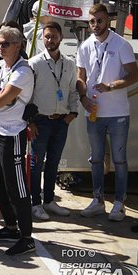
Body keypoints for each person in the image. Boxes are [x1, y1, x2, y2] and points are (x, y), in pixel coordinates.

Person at [77, 2, 138, 221]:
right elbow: (80, 78)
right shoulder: (84, 46)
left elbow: (134, 76)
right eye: (92, 21)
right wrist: (83, 98)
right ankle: (98, 200)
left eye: (100, 20)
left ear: (108, 20)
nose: (96, 25)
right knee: (95, 158)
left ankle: (120, 203)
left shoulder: (121, 44)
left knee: (120, 159)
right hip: (93, 111)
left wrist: (112, 86)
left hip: (117, 112)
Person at [0, 24, 37, 256]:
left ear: (18, 45)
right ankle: (11, 226)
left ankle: (26, 236)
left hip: (11, 134)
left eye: (5, 44)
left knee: (17, 188)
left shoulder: (23, 72)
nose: (0, 48)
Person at [29, 21, 80, 221]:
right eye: (47, 36)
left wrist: (72, 114)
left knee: (54, 163)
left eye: (54, 36)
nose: (50, 40)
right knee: (36, 163)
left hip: (61, 122)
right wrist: (30, 121)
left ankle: (49, 200)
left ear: (61, 38)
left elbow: (73, 91)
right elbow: (28, 95)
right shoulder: (34, 63)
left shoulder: (69, 64)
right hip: (41, 121)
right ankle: (35, 203)